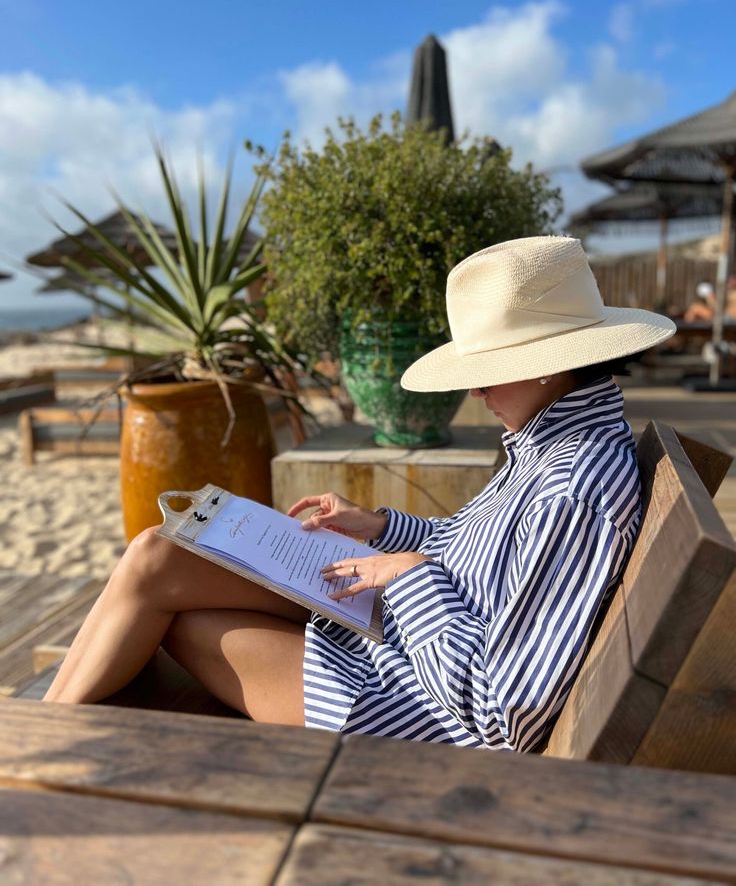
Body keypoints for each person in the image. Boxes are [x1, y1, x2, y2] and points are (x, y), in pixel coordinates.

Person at [44, 236, 676, 753]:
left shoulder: (573, 489)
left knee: (175, 610)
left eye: (486, 373)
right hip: (393, 637)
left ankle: (33, 742)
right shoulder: (549, 446)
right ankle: (38, 733)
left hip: (399, 704)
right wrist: (380, 529)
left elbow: (506, 714)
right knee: (162, 552)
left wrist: (408, 577)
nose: (477, 394)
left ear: (546, 360)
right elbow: (475, 558)